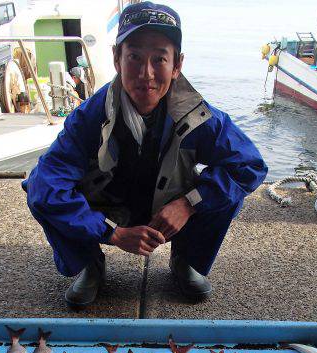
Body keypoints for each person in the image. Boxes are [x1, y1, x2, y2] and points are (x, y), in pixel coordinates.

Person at [23, 2, 267, 308]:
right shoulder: (89, 116)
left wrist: (190, 204)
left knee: (228, 191)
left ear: (177, 65)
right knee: (37, 189)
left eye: (159, 59)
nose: (146, 74)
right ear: (116, 58)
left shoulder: (201, 116)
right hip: (109, 206)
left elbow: (250, 166)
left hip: (168, 207)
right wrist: (109, 232)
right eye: (134, 57)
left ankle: (186, 259)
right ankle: (88, 262)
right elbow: (46, 184)